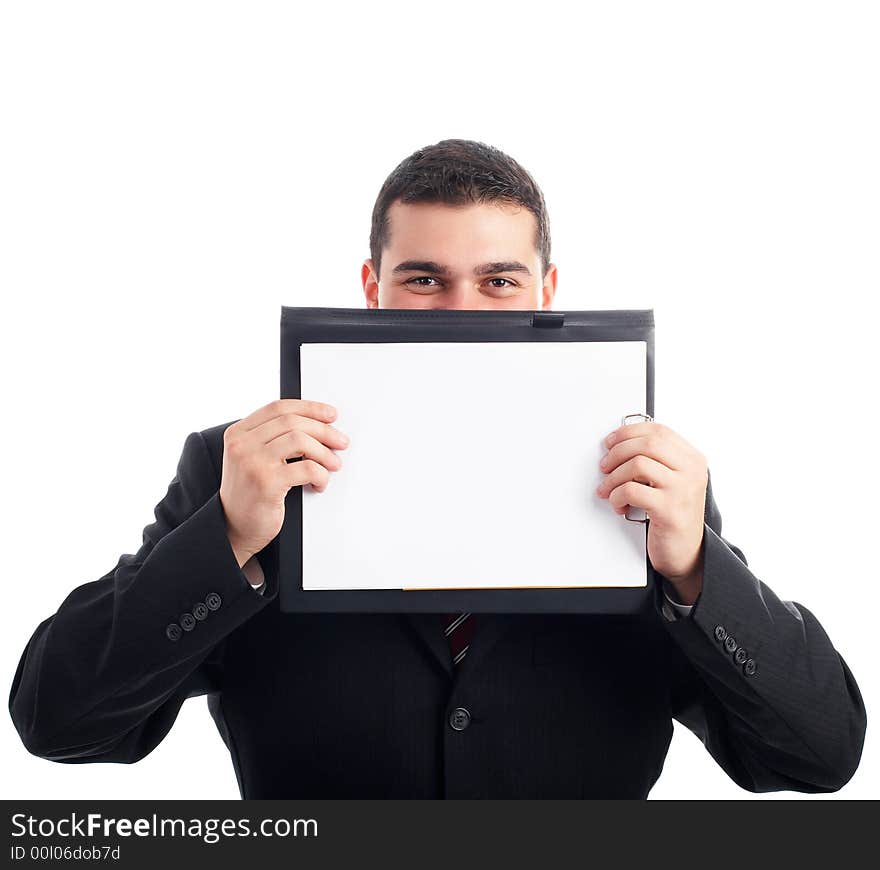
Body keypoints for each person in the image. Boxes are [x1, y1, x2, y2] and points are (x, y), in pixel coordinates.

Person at [8, 139, 866, 798]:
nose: (462, 313)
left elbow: (818, 756)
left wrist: (693, 569)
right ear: (372, 290)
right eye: (424, 278)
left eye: (498, 280)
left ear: (546, 290)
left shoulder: (649, 483)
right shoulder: (235, 468)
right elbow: (60, 724)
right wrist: (226, 536)